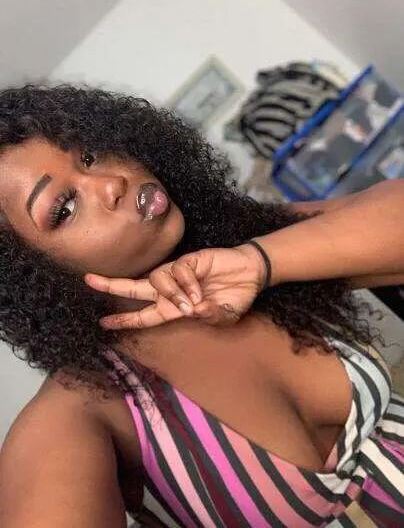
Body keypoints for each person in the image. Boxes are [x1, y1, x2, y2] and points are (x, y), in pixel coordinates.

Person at [0, 85, 402, 528]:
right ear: (30, 275)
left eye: (90, 155)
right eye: (64, 207)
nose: (112, 183)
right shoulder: (84, 408)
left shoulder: (245, 242)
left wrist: (262, 262)